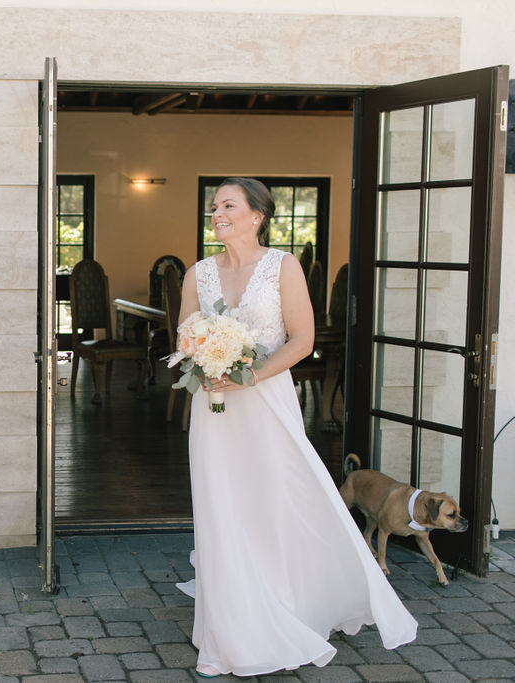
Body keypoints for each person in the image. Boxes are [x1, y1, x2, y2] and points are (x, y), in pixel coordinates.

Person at [175, 178, 416, 677]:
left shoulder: (281, 267)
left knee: (276, 497)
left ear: (256, 214)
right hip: (215, 405)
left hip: (266, 402)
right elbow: (183, 335)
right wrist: (204, 356)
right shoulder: (197, 273)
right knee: (221, 502)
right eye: (214, 205)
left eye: (228, 205)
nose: (217, 213)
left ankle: (287, 599)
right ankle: (232, 620)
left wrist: (251, 375)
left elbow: (303, 340)